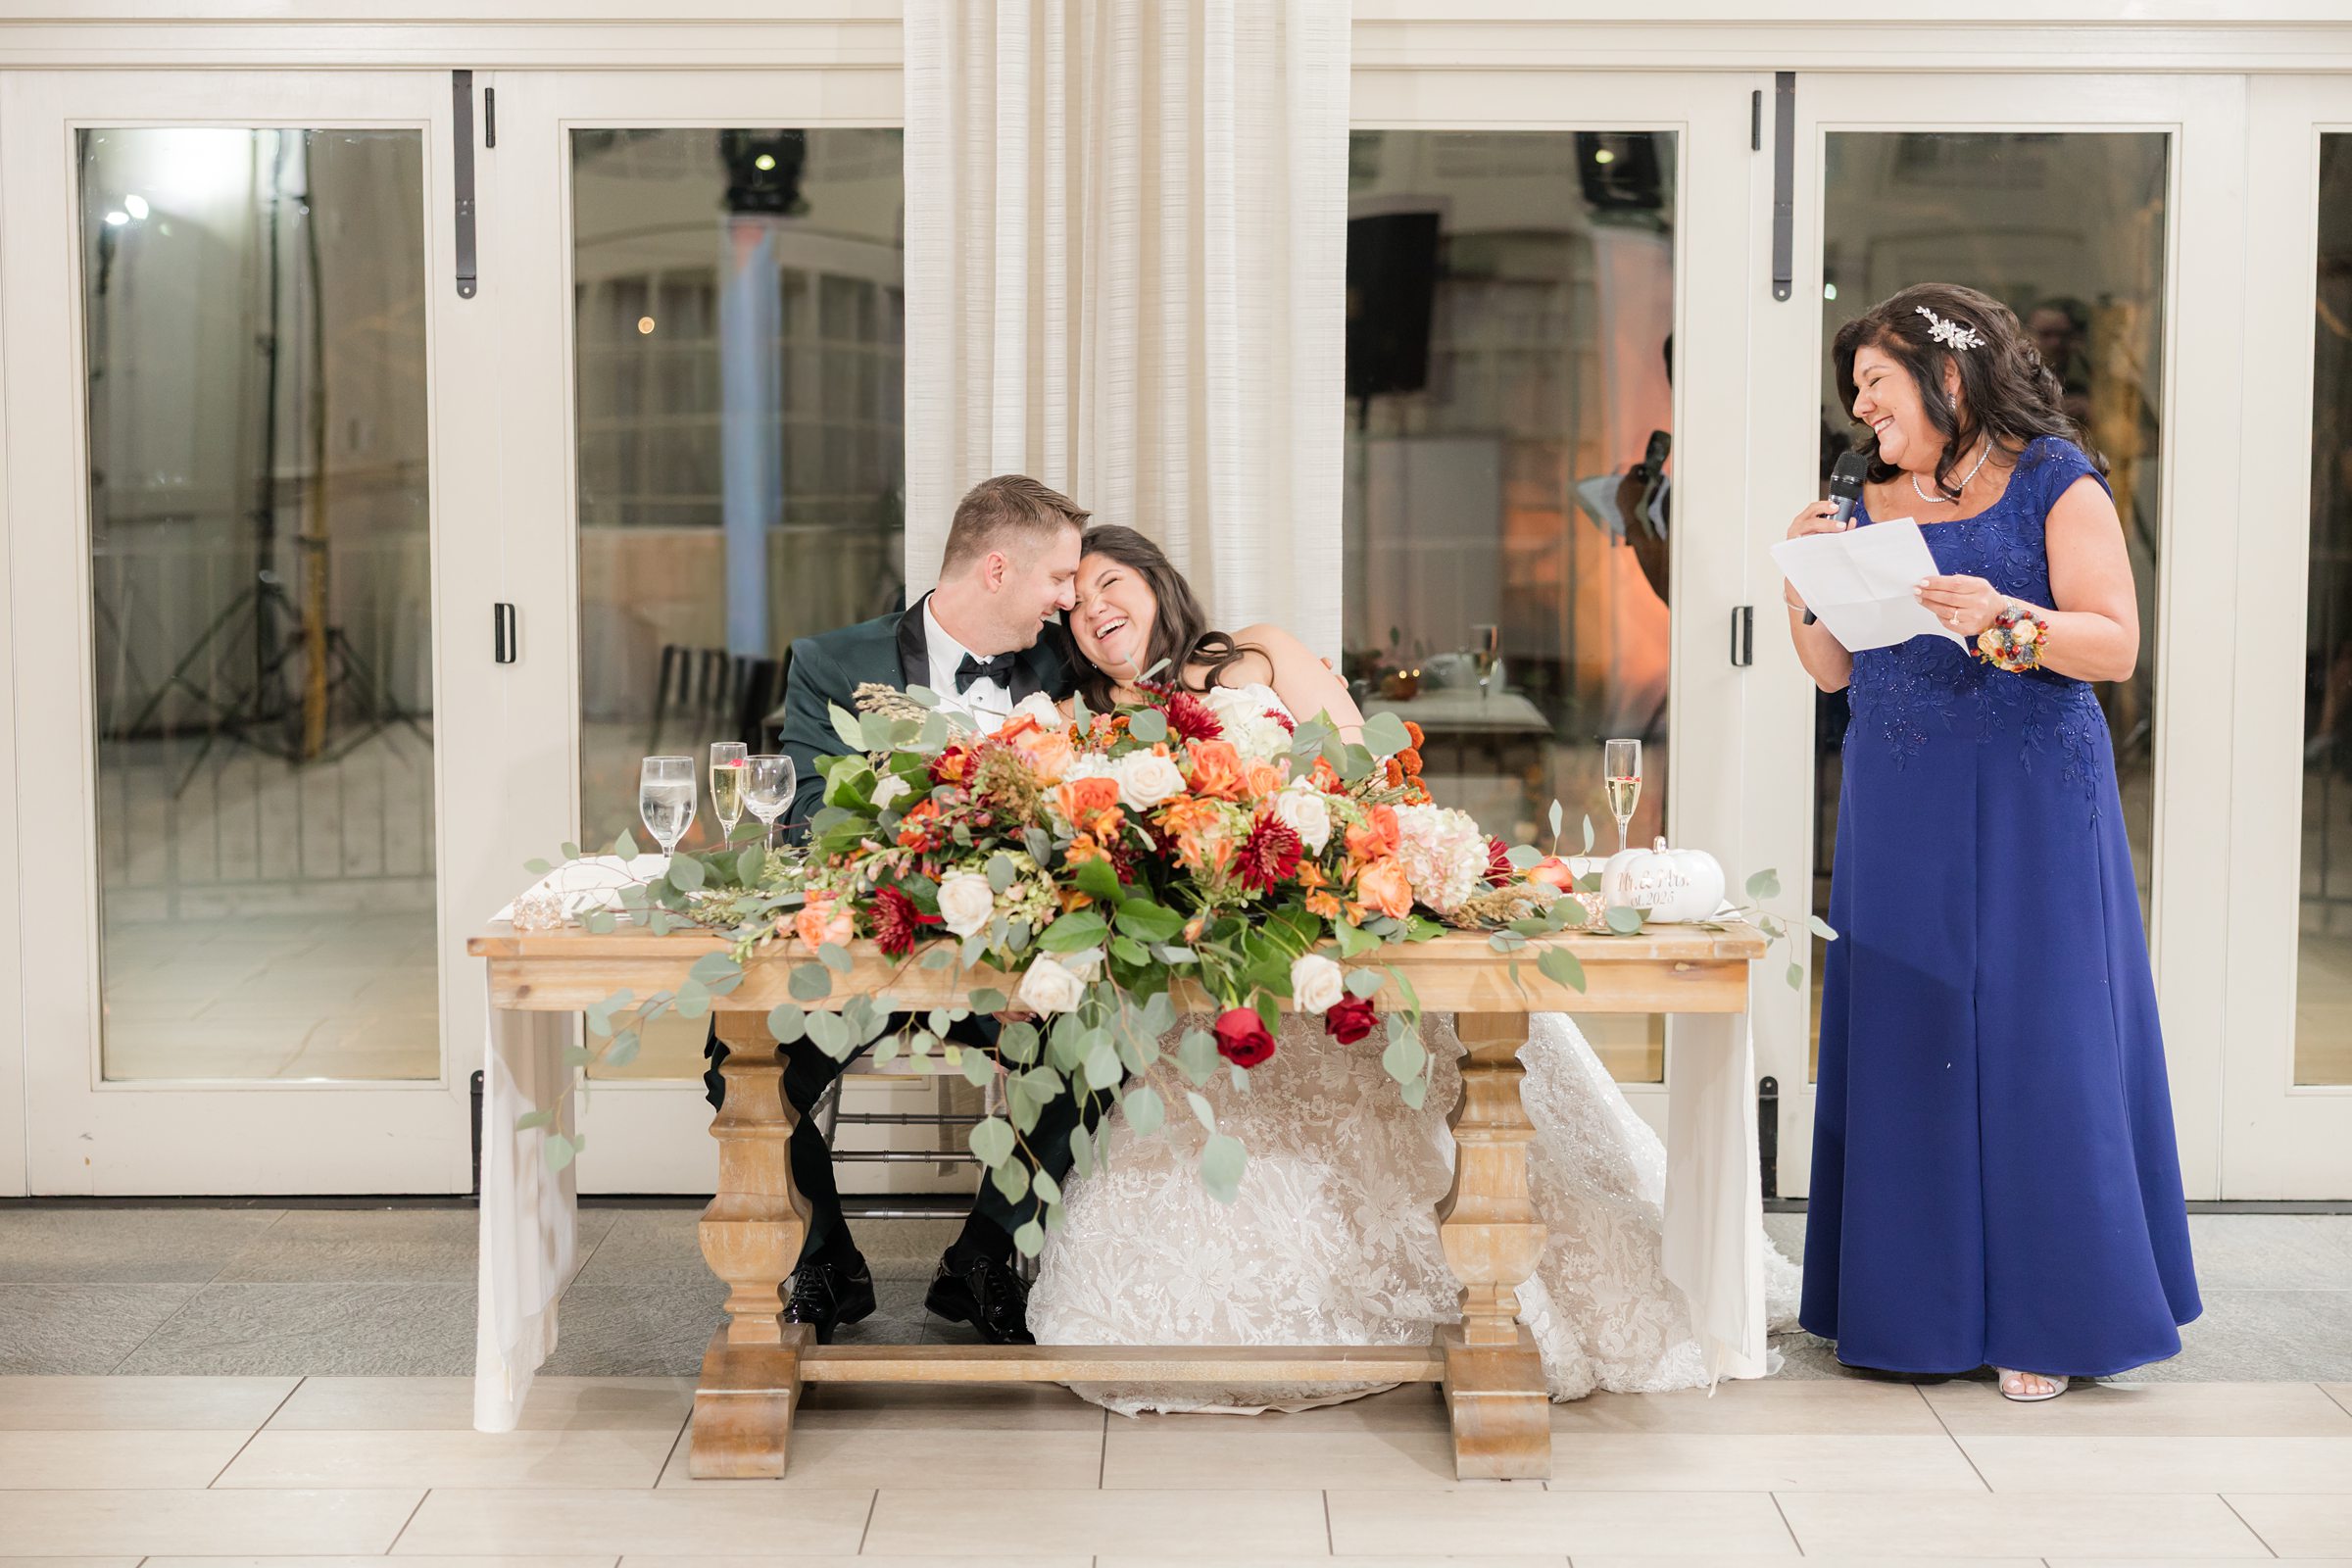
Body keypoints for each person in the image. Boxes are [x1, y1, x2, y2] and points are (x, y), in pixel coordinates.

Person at [1023, 523, 1801, 1412]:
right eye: (1077, 606)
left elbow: (1369, 765)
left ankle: (1494, 1296)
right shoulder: (1096, 726)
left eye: (1111, 582)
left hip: (1345, 921)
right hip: (1226, 975)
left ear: (1156, 581)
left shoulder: (1259, 650)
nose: (1097, 611)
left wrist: (1320, 838)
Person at [1783, 283, 2198, 1402]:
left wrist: (2001, 617)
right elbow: (1830, 669)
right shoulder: (1861, 497)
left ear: (1948, 377)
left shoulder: (2059, 478)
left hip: (2033, 792)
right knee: (1911, 1027)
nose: (1863, 408)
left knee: (2037, 1032)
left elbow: (2112, 645)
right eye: (1858, 391)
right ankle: (1906, 1305)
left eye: (1877, 383)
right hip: (1900, 791)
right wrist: (1800, 578)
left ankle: (2051, 1312)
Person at [710, 473, 1095, 1348]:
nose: (1070, 600)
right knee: (740, 1054)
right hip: (863, 963)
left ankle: (985, 1258)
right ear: (998, 569)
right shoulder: (833, 663)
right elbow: (810, 820)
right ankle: (823, 1258)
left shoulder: (1066, 667)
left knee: (1097, 1046)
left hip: (1009, 976)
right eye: (1060, 579)